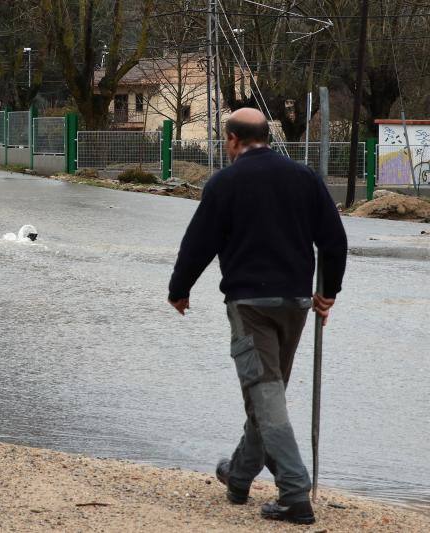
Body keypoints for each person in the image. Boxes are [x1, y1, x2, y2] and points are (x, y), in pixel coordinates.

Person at [167, 108, 347, 525]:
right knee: (265, 394)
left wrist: (179, 290)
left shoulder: (225, 182)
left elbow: (198, 243)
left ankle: (295, 492)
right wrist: (328, 292)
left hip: (250, 306)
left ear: (232, 139)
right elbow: (334, 241)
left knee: (266, 395)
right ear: (266, 135)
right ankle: (239, 475)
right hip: (296, 304)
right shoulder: (305, 178)